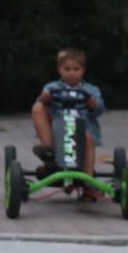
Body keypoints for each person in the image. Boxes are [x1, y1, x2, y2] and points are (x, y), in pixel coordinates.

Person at [30, 47, 105, 176]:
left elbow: (99, 109)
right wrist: (45, 98)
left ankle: (88, 180)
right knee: (38, 107)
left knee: (87, 137)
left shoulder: (91, 90)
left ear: (83, 70)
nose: (72, 73)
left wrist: (93, 104)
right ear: (60, 70)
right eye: (67, 69)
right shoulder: (51, 87)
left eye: (76, 69)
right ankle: (50, 154)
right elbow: (42, 102)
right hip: (58, 130)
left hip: (82, 131)